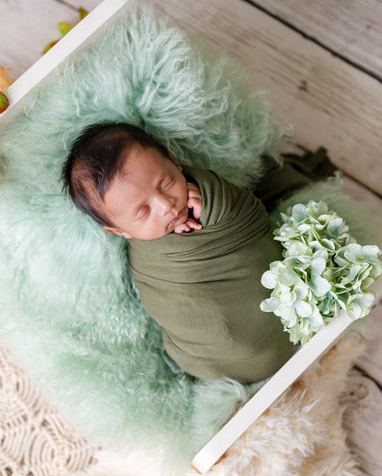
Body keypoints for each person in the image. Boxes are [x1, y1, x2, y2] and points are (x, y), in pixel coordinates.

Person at [62, 122, 323, 383]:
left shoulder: (207, 193)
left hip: (288, 317)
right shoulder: (149, 263)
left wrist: (213, 201)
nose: (166, 205)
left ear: (173, 160)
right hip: (217, 364)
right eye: (143, 212)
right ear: (121, 232)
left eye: (166, 183)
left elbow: (247, 216)